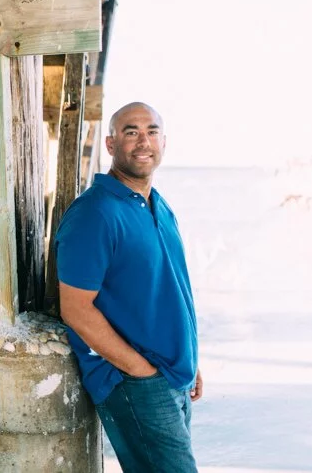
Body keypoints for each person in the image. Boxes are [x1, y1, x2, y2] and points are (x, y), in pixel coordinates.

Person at [54, 102, 202, 473]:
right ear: (110, 143)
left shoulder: (158, 205)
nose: (143, 141)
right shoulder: (95, 213)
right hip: (136, 382)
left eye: (151, 131)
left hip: (172, 376)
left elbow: (171, 289)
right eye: (131, 132)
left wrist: (190, 359)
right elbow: (75, 308)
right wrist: (139, 370)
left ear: (164, 142)